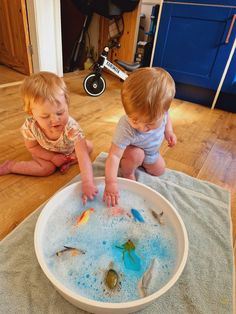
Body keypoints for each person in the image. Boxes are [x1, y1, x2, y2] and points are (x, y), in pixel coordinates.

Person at [0, 71, 97, 204]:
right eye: (45, 116)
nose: (55, 120)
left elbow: (84, 157)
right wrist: (51, 157)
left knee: (88, 147)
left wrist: (87, 182)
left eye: (60, 112)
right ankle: (12, 166)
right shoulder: (31, 126)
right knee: (47, 169)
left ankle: (66, 161)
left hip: (67, 148)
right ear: (31, 113)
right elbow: (32, 147)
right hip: (45, 152)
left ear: (67, 105)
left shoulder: (72, 128)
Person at [103, 67, 177, 207]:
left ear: (163, 112)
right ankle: (128, 171)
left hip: (152, 152)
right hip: (132, 151)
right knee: (136, 155)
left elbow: (168, 119)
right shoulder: (125, 126)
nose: (141, 128)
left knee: (160, 170)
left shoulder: (163, 113)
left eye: (149, 124)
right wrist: (111, 182)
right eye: (135, 120)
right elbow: (113, 156)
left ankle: (143, 163)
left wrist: (169, 132)